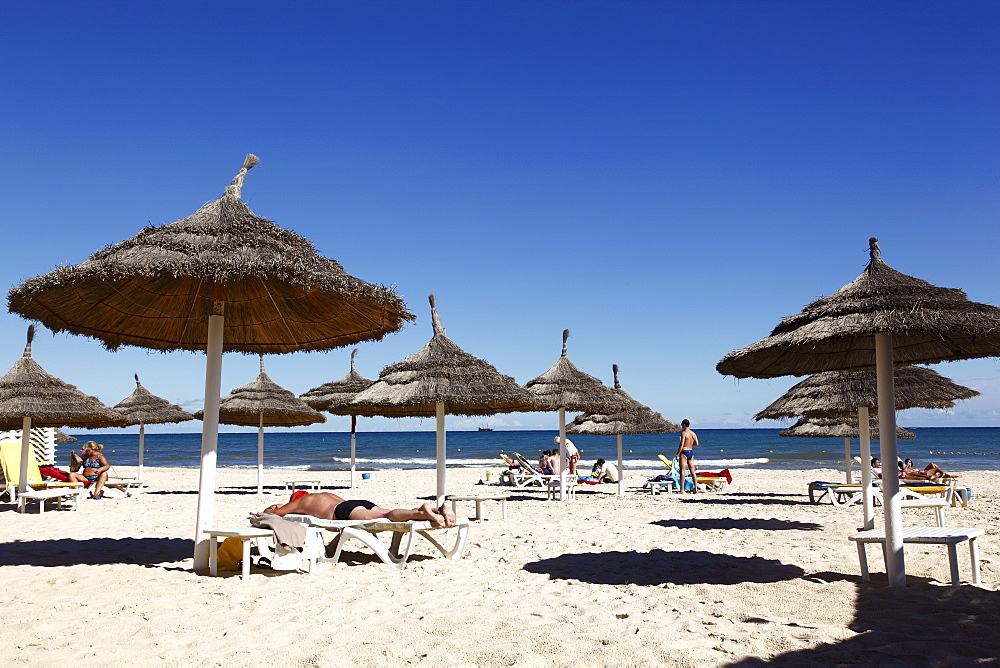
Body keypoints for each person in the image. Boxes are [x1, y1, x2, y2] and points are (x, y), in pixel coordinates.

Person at [263, 492, 458, 528]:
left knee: (387, 516)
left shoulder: (300, 502)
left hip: (343, 510)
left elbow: (275, 514)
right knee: (386, 511)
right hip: (357, 502)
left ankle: (422, 512)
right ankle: (438, 509)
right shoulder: (323, 495)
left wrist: (275, 509)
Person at [675, 419, 699, 493]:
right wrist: (690, 444)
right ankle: (696, 488)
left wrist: (678, 454)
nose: (681, 426)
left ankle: (682, 489)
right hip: (690, 452)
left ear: (684, 425)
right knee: (693, 471)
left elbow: (681, 444)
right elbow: (697, 444)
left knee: (682, 471)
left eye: (682, 425)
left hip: (684, 451)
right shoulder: (693, 433)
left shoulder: (684, 433)